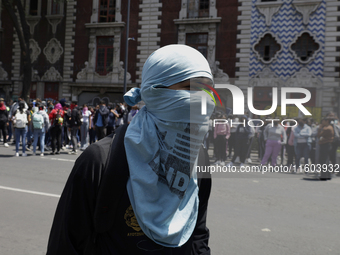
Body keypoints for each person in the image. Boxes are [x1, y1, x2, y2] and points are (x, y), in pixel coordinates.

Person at [47, 44, 213, 254]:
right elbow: (65, 245)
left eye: (207, 89)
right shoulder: (100, 160)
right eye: (189, 88)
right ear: (154, 92)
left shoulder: (200, 158)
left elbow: (198, 232)